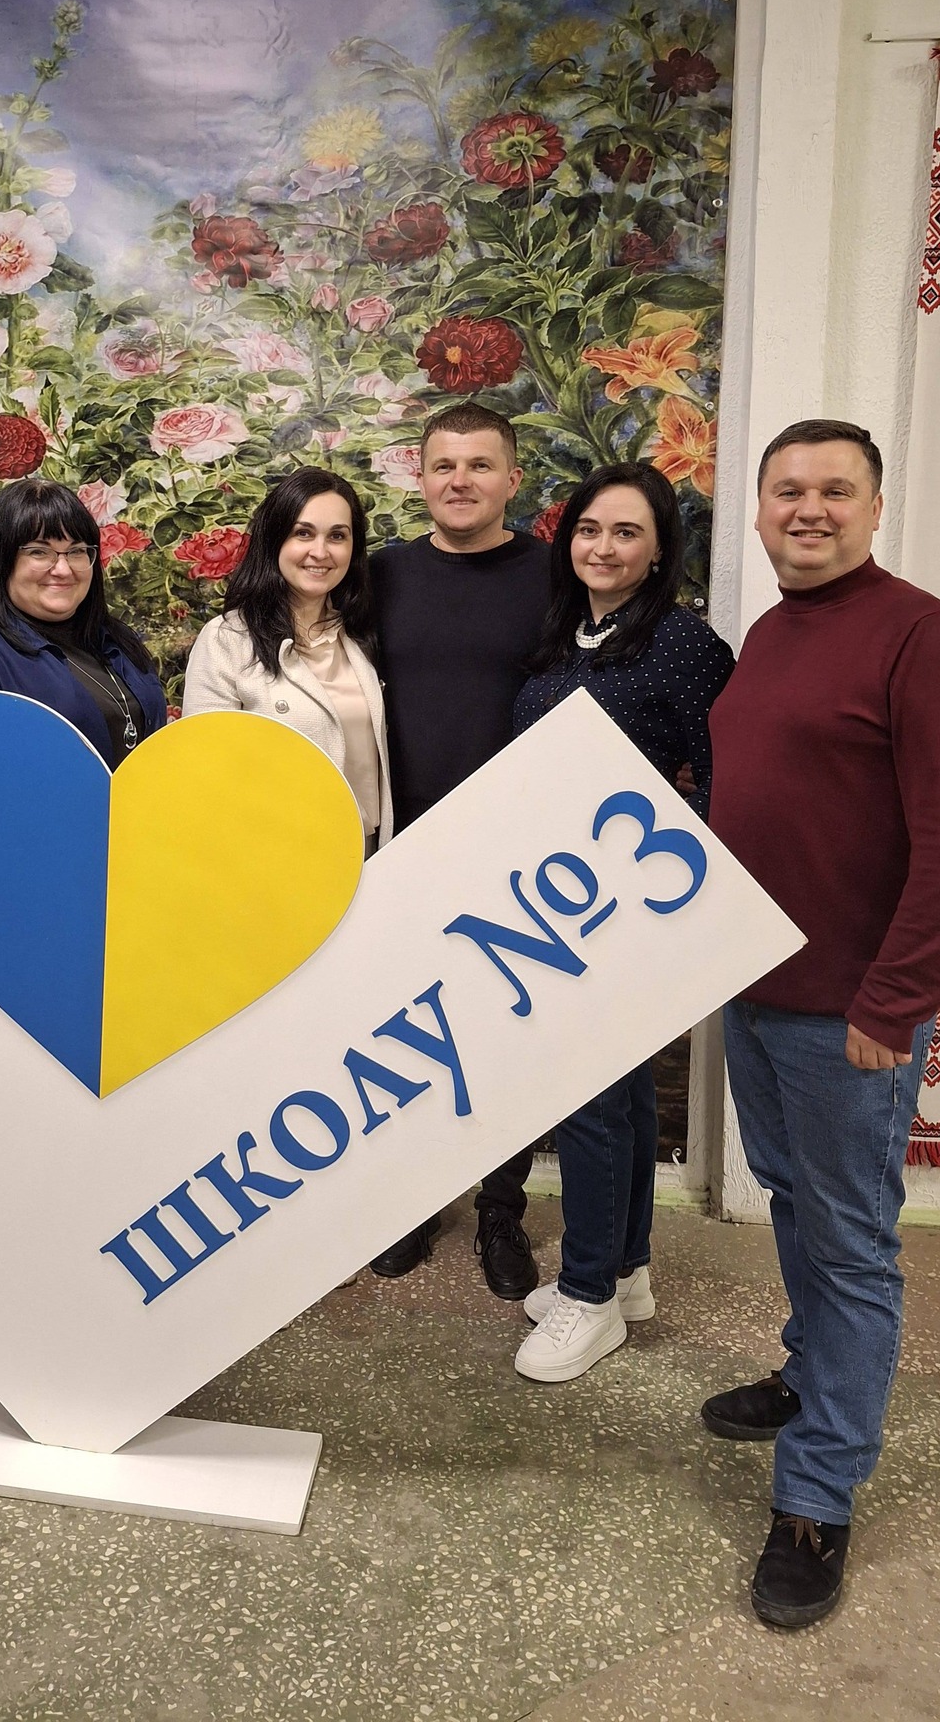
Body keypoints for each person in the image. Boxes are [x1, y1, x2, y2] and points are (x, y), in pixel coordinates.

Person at [705, 418, 940, 1630]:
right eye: (788, 489)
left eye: (836, 489)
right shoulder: (773, 635)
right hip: (757, 994)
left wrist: (895, 1000)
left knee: (850, 1244)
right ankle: (809, 1370)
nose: (809, 508)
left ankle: (817, 1495)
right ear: (760, 509)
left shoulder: (925, 639)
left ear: (876, 506)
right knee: (798, 1200)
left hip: (848, 1017)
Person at [507, 464, 733, 1381]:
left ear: (659, 548)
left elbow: (725, 777)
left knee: (589, 1098)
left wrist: (677, 888)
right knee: (624, 1095)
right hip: (556, 900)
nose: (603, 547)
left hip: (627, 907)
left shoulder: (683, 643)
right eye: (589, 529)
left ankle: (588, 1295)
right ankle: (626, 1273)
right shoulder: (563, 632)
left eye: (627, 532)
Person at [368, 401, 552, 1297]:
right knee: (403, 1034)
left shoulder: (555, 576)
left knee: (506, 1039)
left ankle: (500, 1210)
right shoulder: (381, 576)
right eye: (444, 465)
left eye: (480, 465)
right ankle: (408, 1201)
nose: (461, 481)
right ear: (421, 476)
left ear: (512, 479)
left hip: (516, 849)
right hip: (398, 848)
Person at [183, 468, 390, 847]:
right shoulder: (227, 640)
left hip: (369, 850)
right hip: (276, 853)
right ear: (275, 539)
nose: (320, 552)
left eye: (337, 536)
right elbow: (204, 772)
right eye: (303, 533)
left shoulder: (360, 636)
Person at [0, 480, 166, 764]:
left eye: (76, 551)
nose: (63, 569)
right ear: (0, 560)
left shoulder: (116, 638)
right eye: (39, 551)